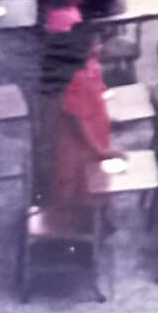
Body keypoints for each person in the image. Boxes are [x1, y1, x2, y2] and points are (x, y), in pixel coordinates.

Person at [38, 18, 119, 209]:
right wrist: (102, 151)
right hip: (77, 141)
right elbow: (78, 122)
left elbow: (98, 91)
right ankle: (71, 223)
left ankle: (95, 219)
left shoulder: (91, 65)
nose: (100, 46)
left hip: (97, 130)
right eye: (96, 43)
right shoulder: (76, 78)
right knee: (75, 178)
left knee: (95, 177)